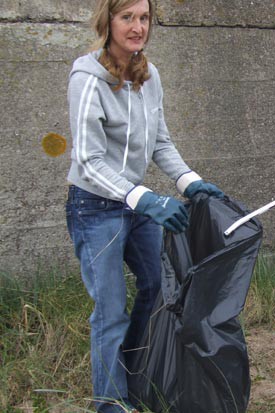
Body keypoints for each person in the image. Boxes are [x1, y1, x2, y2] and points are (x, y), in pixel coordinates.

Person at [65, 1, 223, 411]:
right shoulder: (87, 78)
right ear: (108, 22)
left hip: (136, 203)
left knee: (157, 287)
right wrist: (145, 198)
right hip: (95, 207)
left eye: (144, 18)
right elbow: (87, 160)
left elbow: (160, 142)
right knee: (110, 312)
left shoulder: (149, 76)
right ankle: (111, 404)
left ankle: (135, 374)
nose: (137, 27)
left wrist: (192, 182)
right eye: (127, 18)